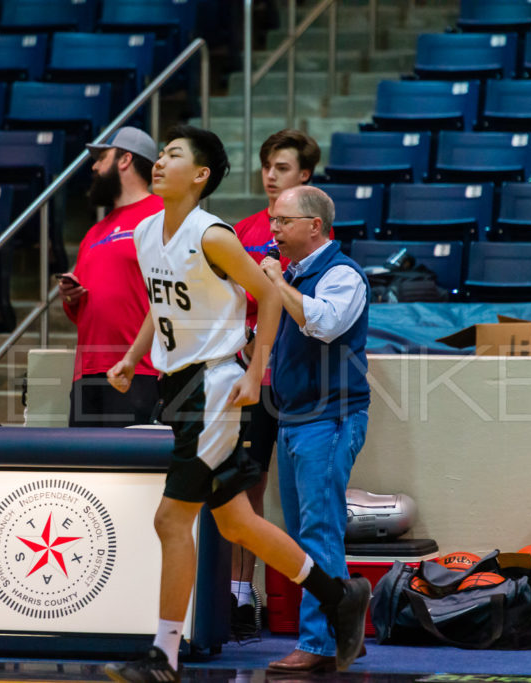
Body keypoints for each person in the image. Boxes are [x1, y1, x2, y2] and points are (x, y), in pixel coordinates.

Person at [104, 125, 369, 682]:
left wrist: (254, 370)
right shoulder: (149, 231)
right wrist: (133, 356)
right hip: (177, 386)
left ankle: (163, 656)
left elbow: (270, 294)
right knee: (238, 525)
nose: (159, 162)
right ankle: (337, 593)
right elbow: (161, 302)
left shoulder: (214, 235)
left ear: (200, 176)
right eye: (161, 154)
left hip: (215, 386)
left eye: (173, 155)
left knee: (171, 520)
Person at [258, 185, 371, 673]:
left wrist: (276, 284)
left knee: (319, 529)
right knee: (307, 530)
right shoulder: (299, 274)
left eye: (283, 221)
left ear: (315, 227)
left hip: (329, 417)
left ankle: (319, 643)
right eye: (273, 221)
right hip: (297, 417)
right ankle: (347, 635)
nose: (274, 230)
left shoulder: (342, 275)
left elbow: (322, 324)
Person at [229, 129, 320, 637]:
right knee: (248, 482)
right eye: (266, 166)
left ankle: (310, 604)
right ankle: (242, 594)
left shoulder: (314, 234)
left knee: (302, 491)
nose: (270, 175)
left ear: (304, 175)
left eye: (281, 167)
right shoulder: (239, 230)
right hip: (255, 375)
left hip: (303, 377)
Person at [58, 127, 163, 427]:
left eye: (101, 158)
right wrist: (71, 296)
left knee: (129, 472)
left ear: (125, 160)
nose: (94, 166)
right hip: (88, 372)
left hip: (138, 370)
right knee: (84, 472)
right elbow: (84, 312)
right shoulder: (94, 231)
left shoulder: (161, 215)